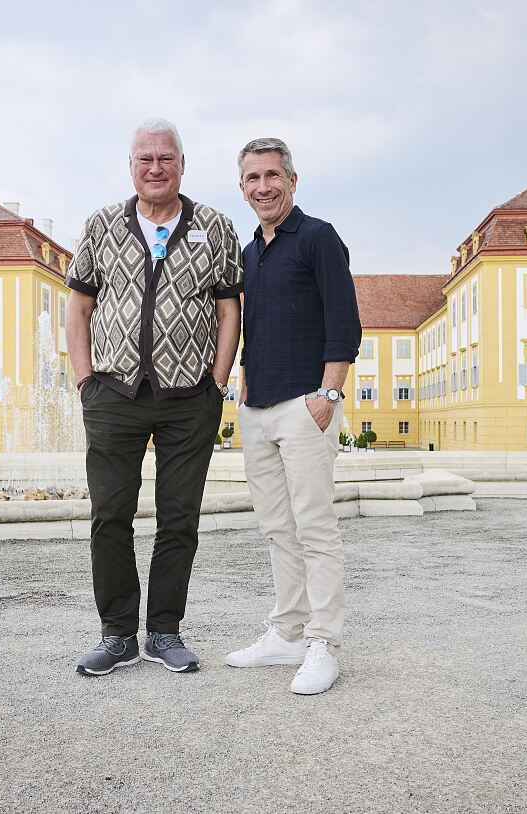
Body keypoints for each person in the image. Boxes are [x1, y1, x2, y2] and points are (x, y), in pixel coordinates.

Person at [65, 118, 243, 676]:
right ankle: (116, 633)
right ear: (132, 165)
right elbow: (79, 306)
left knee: (179, 518)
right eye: (145, 158)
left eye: (166, 158)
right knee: (109, 516)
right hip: (114, 393)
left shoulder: (214, 227)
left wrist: (217, 381)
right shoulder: (101, 226)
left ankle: (164, 631)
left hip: (190, 396)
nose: (156, 167)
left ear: (182, 165)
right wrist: (84, 378)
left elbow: (228, 308)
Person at [225, 137, 361, 695]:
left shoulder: (319, 237)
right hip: (257, 408)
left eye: (272, 176)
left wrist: (328, 396)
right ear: (242, 188)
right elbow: (248, 330)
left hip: (307, 404)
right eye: (253, 178)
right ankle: (286, 632)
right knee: (278, 529)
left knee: (316, 529)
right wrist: (240, 392)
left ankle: (324, 641)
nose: (263, 187)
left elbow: (344, 322)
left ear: (292, 180)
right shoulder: (248, 252)